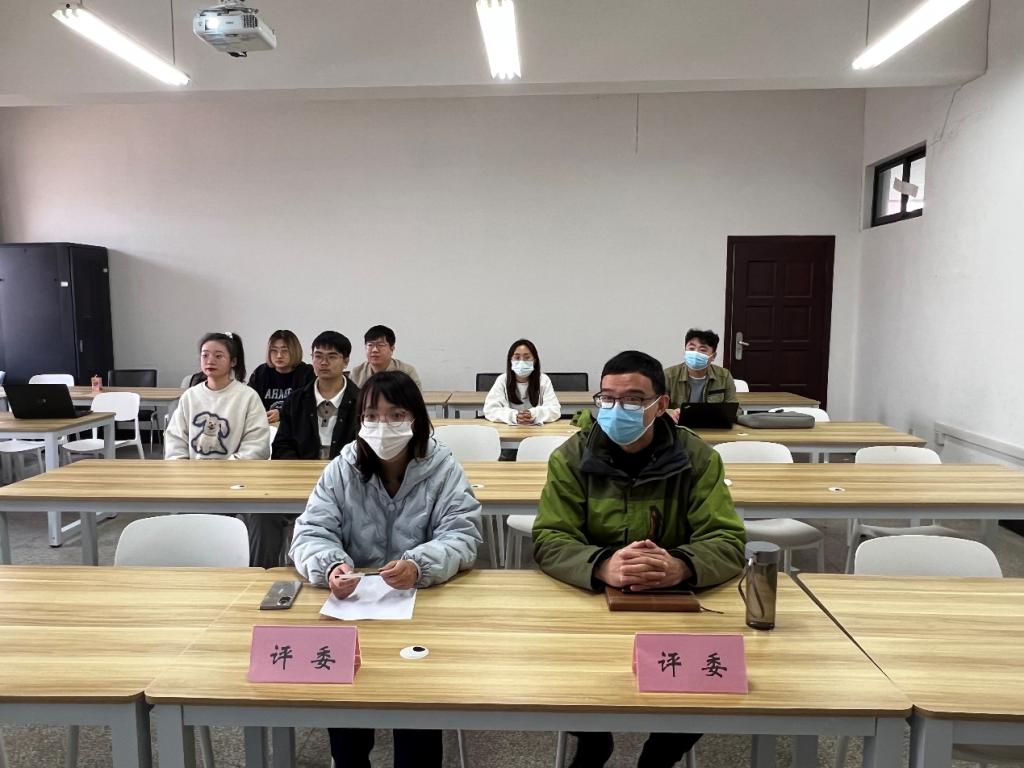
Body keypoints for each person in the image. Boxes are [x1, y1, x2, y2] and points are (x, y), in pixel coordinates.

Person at [532, 350, 746, 768]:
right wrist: (601, 565)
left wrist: (681, 565)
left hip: (674, 600)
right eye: (607, 398)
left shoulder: (698, 458)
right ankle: (593, 743)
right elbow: (550, 538)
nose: (616, 409)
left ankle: (659, 756)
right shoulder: (571, 457)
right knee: (559, 669)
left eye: (632, 400)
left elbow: (727, 540)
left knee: (706, 676)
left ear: (660, 405)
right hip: (592, 599)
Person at [290, 370, 482, 768]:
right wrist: (331, 566)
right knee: (347, 721)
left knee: (416, 722)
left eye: (396, 415)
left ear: (416, 419)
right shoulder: (343, 468)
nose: (383, 426)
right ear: (359, 420)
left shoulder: (443, 468)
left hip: (423, 608)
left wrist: (418, 564)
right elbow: (310, 532)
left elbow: (462, 535)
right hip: (354, 608)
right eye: (372, 416)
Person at [244, 331, 361, 567]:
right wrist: (301, 473)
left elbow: (365, 449)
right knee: (261, 514)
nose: (323, 362)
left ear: (346, 361)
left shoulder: (361, 400)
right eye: (318, 356)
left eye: (332, 356)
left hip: (347, 487)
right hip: (298, 482)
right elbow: (282, 446)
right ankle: (261, 575)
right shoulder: (296, 400)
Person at [165, 332, 270, 460]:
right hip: (193, 470)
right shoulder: (190, 396)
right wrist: (183, 466)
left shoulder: (248, 397)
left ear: (233, 361)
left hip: (234, 470)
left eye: (218, 356)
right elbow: (175, 441)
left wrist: (228, 467)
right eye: (205, 355)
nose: (210, 361)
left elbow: (257, 445)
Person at [663, 329, 738, 421]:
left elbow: (735, 410)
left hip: (712, 425)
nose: (696, 353)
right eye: (691, 348)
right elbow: (657, 407)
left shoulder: (724, 376)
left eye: (702, 350)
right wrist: (672, 413)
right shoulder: (668, 375)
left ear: (713, 356)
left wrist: (716, 414)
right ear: (685, 351)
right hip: (678, 425)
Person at [483, 338, 562, 425]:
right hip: (509, 429)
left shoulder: (543, 380)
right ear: (510, 361)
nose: (522, 362)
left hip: (537, 430)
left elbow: (555, 410)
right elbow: (490, 410)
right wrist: (514, 416)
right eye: (517, 358)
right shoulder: (502, 380)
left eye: (527, 357)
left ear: (535, 361)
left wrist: (533, 414)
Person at [247, 329, 314, 424]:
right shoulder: (261, 372)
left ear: (294, 351)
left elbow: (309, 406)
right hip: (265, 425)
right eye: (274, 350)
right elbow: (249, 401)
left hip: (295, 426)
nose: (279, 356)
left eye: (284, 351)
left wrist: (282, 414)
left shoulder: (306, 373)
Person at [349, 325, 422, 388]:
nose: (374, 350)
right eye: (370, 345)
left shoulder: (407, 371)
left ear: (392, 349)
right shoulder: (356, 373)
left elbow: (415, 399)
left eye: (381, 345)